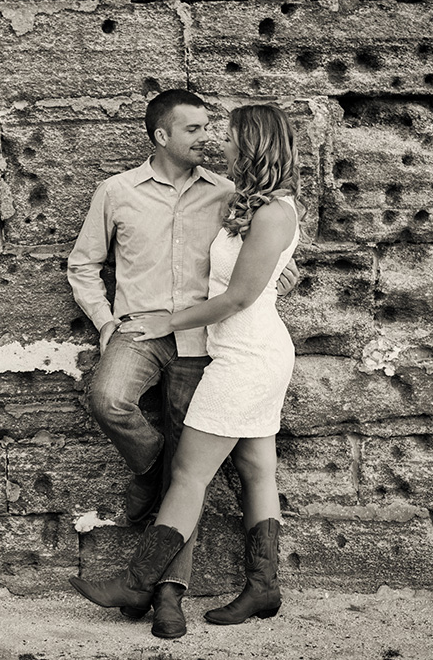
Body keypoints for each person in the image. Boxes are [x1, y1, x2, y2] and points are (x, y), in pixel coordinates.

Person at [66, 92, 297, 639]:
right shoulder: (126, 191)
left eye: (225, 135)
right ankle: (262, 586)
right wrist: (108, 324)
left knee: (189, 473)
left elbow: (249, 288)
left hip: (228, 348)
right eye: (194, 129)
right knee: (250, 469)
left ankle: (151, 588)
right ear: (160, 135)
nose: (214, 141)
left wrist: (257, 292)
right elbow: (84, 263)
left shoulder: (239, 199)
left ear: (254, 146)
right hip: (211, 341)